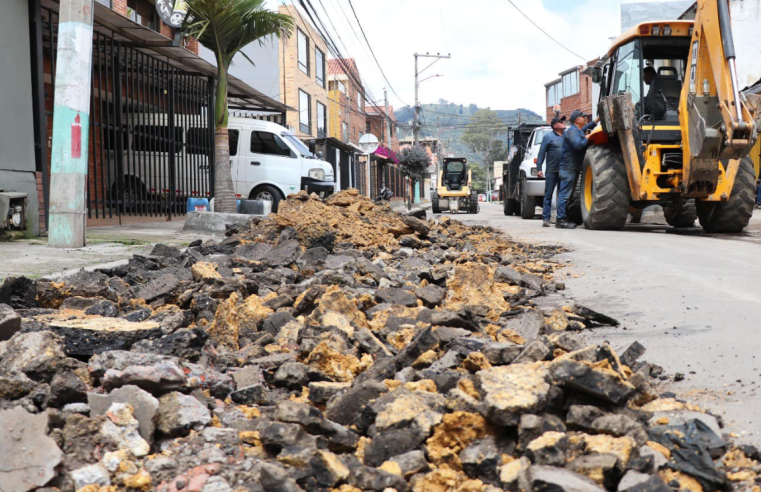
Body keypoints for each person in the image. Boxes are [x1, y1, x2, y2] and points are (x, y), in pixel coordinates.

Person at [556, 110, 599, 229]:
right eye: (583, 117)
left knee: (568, 195)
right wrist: (589, 137)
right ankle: (560, 220)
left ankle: (564, 218)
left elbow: (585, 129)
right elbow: (578, 145)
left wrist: (596, 121)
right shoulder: (571, 131)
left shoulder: (577, 131)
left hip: (572, 168)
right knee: (565, 195)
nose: (585, 118)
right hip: (568, 168)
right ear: (577, 120)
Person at [536, 116, 566, 227]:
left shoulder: (567, 136)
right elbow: (542, 153)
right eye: (560, 121)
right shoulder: (548, 137)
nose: (563, 122)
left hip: (564, 171)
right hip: (551, 171)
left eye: (563, 121)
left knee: (562, 195)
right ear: (554, 125)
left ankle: (560, 218)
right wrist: (539, 169)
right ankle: (546, 219)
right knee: (548, 194)